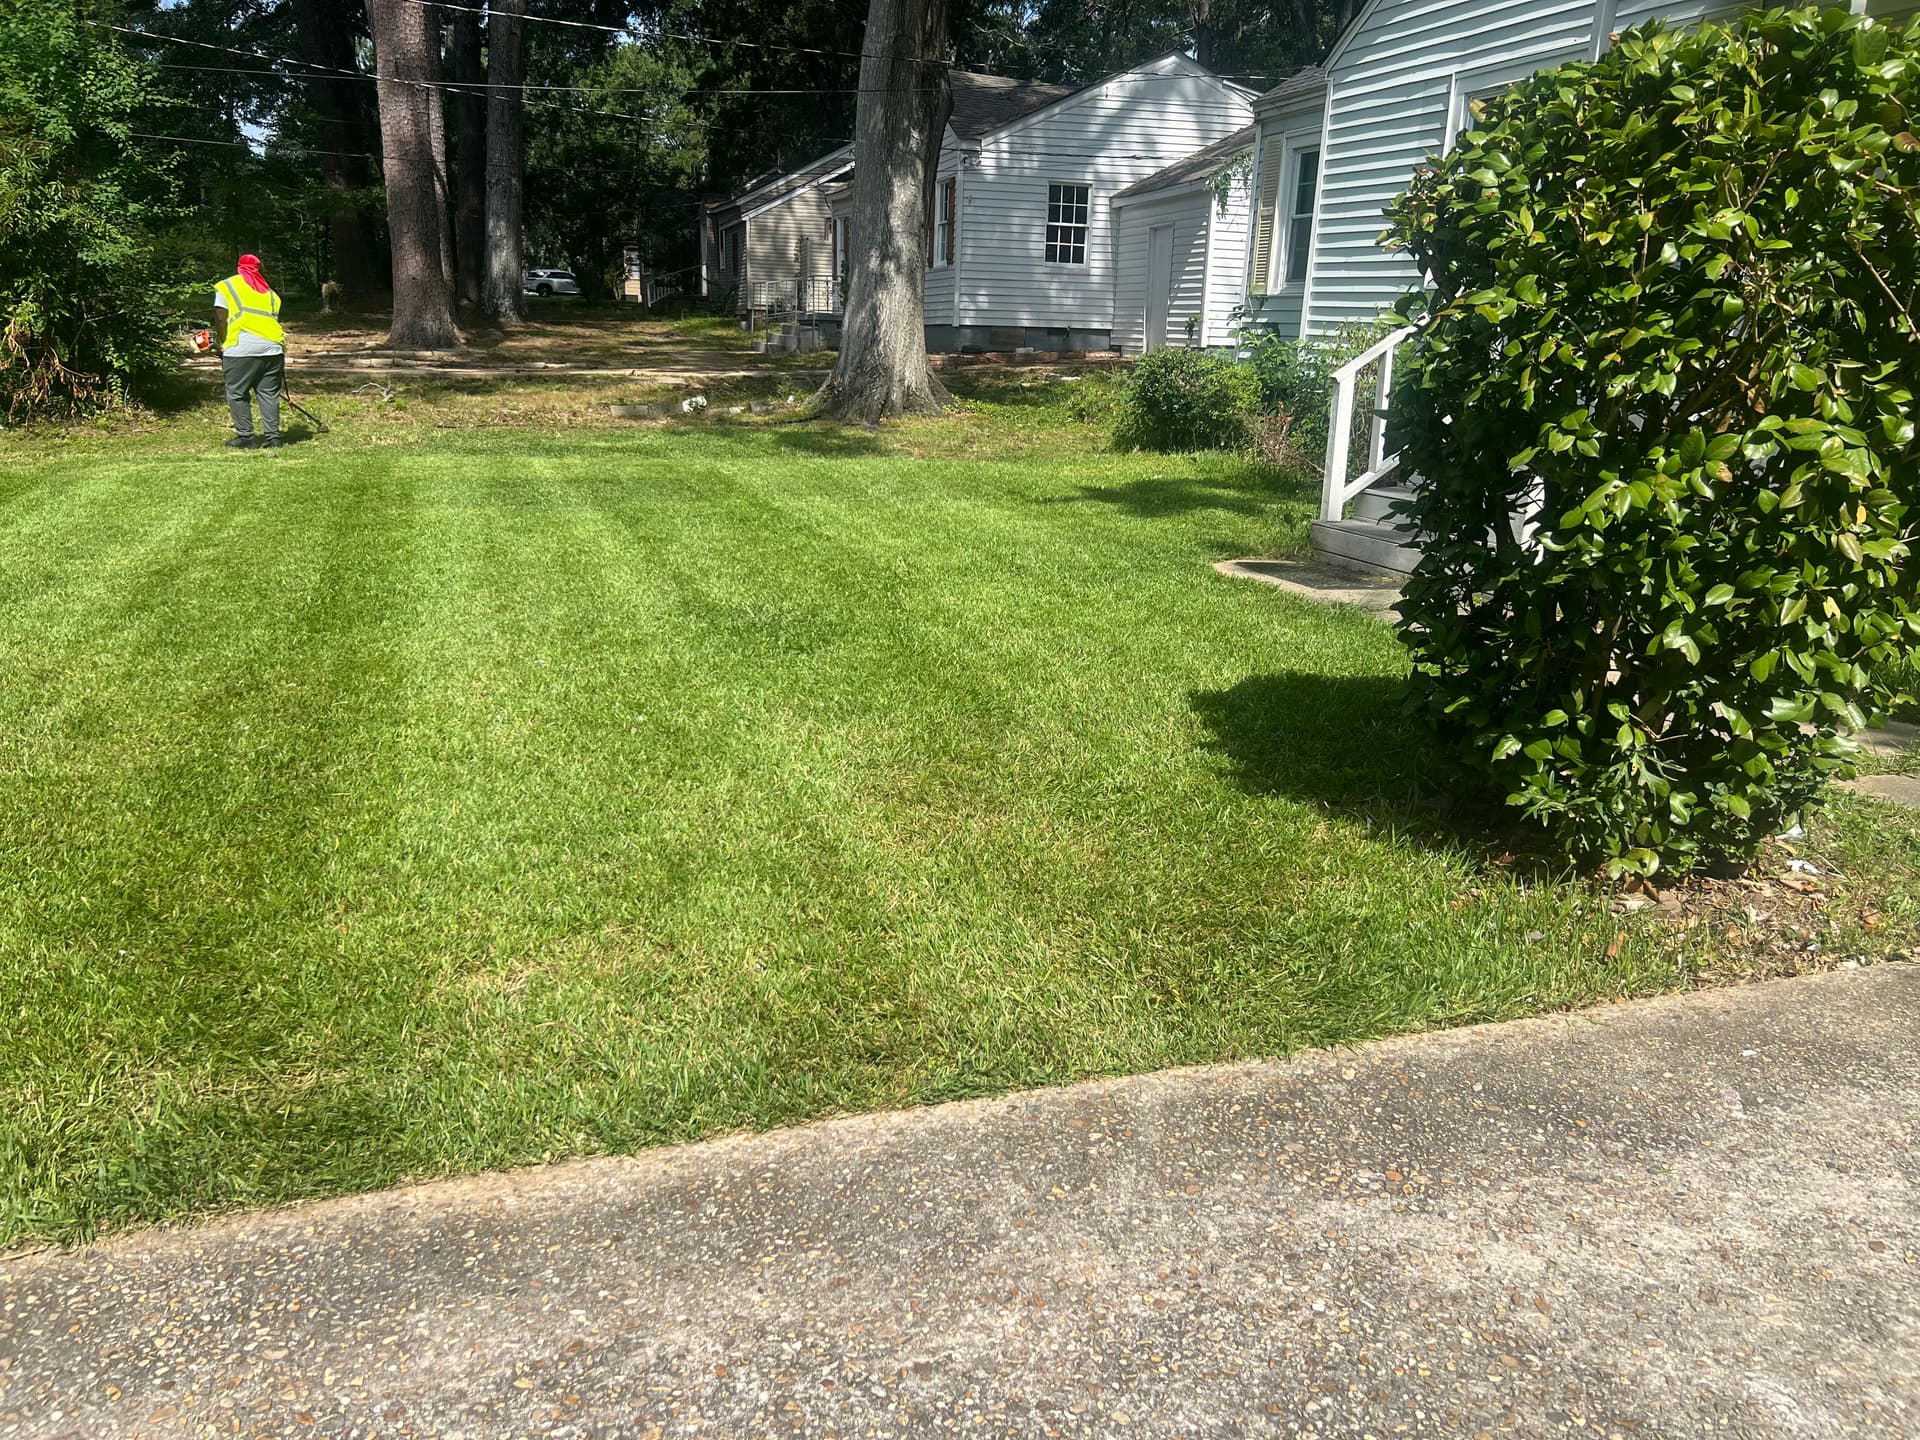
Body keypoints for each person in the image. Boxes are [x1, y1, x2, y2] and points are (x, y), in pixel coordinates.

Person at [212, 254, 286, 451]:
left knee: (237, 392)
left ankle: (246, 437)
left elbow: (220, 319)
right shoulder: (271, 294)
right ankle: (273, 438)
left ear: (239, 268)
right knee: (269, 393)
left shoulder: (227, 286)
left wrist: (223, 343)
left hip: (241, 348)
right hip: (273, 349)